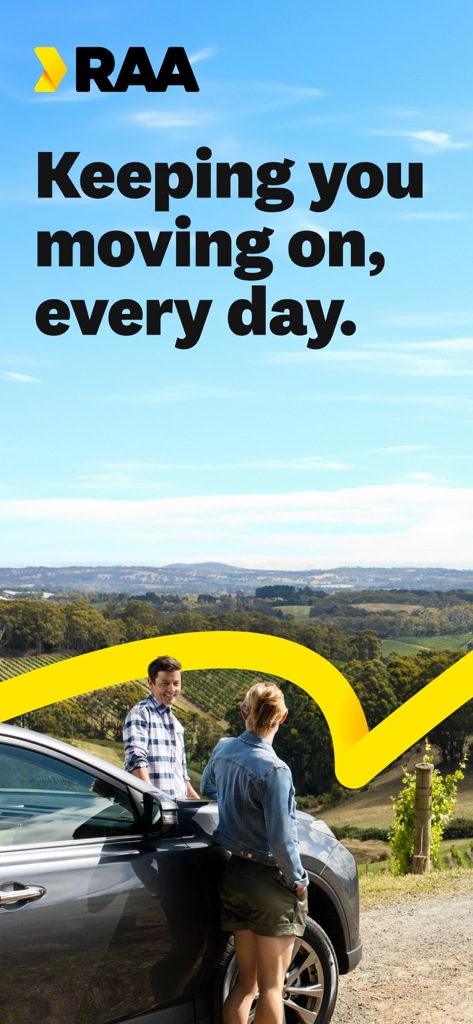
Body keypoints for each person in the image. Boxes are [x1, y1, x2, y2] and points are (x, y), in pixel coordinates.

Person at [200, 682, 308, 1024]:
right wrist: (298, 881)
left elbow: (207, 788)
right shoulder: (276, 770)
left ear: (244, 712)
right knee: (273, 987)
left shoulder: (223, 749)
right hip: (269, 885)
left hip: (234, 878)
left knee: (245, 984)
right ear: (282, 717)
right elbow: (281, 839)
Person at [123, 654, 199, 799]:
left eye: (176, 683)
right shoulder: (141, 714)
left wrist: (200, 808)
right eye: (165, 683)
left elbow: (182, 777)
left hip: (177, 811)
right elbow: (136, 763)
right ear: (151, 683)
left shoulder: (176, 725)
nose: (171, 689)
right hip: (154, 812)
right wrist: (155, 801)